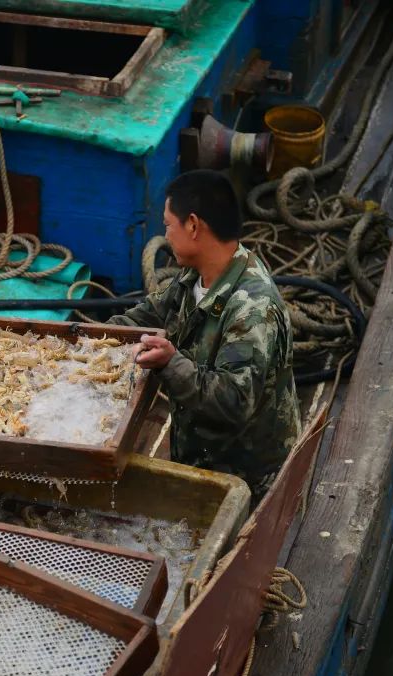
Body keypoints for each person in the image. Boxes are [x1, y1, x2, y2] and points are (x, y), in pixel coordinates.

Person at [107, 170, 301, 501]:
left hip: (243, 481)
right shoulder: (197, 276)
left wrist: (170, 362)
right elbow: (143, 317)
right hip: (200, 455)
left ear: (194, 226)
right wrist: (91, 343)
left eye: (168, 225)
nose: (165, 235)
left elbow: (233, 402)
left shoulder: (252, 310)